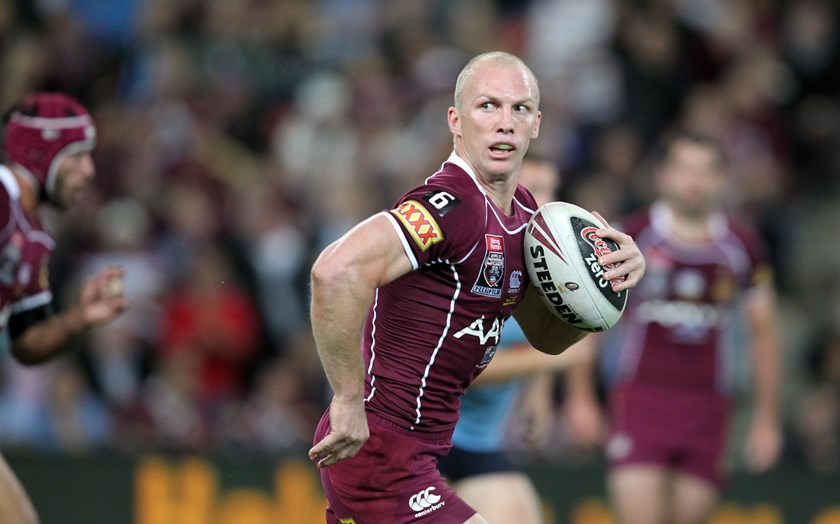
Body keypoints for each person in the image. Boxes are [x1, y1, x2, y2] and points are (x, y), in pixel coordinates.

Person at [308, 51, 646, 524]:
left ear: (536, 125)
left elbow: (547, 338)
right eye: (488, 106)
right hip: (379, 450)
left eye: (519, 109)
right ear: (456, 120)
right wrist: (345, 397)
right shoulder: (449, 204)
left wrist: (603, 288)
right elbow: (334, 271)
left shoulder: (527, 216)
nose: (504, 123)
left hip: (422, 448)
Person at [565, 129, 782, 524]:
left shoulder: (742, 246)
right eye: (684, 169)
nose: (694, 182)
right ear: (662, 175)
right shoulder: (630, 235)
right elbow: (591, 318)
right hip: (641, 399)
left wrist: (767, 420)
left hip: (709, 406)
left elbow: (763, 334)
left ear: (722, 178)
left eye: (705, 171)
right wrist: (581, 397)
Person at [437, 153, 591, 523]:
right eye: (531, 189)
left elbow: (543, 334)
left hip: (479, 443)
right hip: (421, 438)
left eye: (548, 191)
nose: (539, 203)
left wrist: (540, 389)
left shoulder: (546, 266)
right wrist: (555, 359)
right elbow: (458, 368)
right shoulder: (469, 255)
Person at [0, 92, 129, 524]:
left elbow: (26, 342)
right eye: (77, 156)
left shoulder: (33, 238)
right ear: (41, 152)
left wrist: (79, 319)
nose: (88, 171)